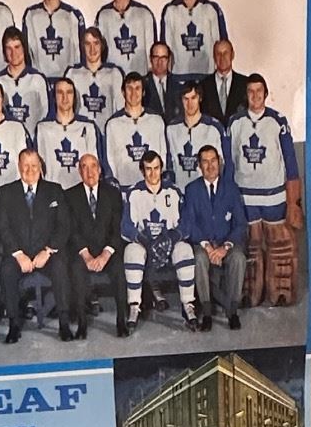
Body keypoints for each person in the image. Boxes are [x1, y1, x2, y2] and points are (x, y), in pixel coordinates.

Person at [227, 72, 302, 305]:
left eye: (259, 91)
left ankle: (280, 292)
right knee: (251, 246)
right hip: (245, 197)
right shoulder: (235, 122)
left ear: (266, 93)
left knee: (280, 246)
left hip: (274, 197)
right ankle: (249, 293)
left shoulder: (278, 121)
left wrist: (293, 201)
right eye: (251, 91)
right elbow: (229, 162)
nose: (255, 95)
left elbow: (290, 161)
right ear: (246, 94)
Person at [0, 148, 72, 342]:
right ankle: (14, 324)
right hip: (17, 254)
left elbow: (64, 226)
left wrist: (48, 251)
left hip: (47, 252)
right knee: (6, 271)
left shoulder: (54, 190)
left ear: (41, 167)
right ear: (19, 167)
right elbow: (2, 227)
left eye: (34, 165)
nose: (30, 170)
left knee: (61, 267)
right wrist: (18, 254)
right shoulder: (6, 192)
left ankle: (64, 324)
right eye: (26, 165)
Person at [122, 151, 197, 328]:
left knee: (185, 249)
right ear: (142, 170)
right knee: (131, 251)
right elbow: (125, 226)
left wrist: (170, 238)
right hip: (145, 244)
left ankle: (188, 305)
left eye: (156, 168)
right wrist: (145, 241)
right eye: (148, 169)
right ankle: (134, 306)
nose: (153, 173)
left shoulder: (174, 191)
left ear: (161, 168)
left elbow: (186, 223)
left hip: (168, 244)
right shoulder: (134, 192)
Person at [180, 144, 247, 330]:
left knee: (239, 258)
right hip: (203, 244)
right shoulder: (192, 190)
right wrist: (208, 247)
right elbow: (189, 223)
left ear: (220, 162)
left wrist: (225, 247)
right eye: (205, 162)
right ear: (199, 166)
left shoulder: (231, 189)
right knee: (199, 259)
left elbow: (241, 224)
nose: (210, 166)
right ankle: (207, 312)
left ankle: (232, 311)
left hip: (226, 243)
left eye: (213, 161)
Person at [65, 151, 131, 337]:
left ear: (100, 170)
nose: (90, 172)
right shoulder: (70, 195)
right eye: (84, 167)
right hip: (83, 252)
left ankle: (121, 321)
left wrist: (105, 255)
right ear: (79, 171)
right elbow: (72, 230)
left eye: (93, 166)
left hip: (107, 251)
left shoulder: (113, 194)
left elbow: (117, 229)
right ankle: (82, 323)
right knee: (75, 269)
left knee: (119, 269)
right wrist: (86, 256)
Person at [159, 0, 228, 87]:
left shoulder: (211, 9)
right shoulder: (170, 10)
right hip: (178, 78)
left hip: (207, 77)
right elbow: (165, 48)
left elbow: (222, 45)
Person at [103, 72, 168, 192]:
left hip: (151, 190)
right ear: (123, 92)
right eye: (129, 88)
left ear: (143, 92)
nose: (133, 93)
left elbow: (164, 154)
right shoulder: (113, 124)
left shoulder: (156, 120)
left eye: (137, 88)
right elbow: (109, 159)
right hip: (124, 189)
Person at [21, 0, 85, 79]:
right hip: (40, 81)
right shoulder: (31, 15)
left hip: (67, 81)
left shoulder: (72, 14)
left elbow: (81, 50)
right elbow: (26, 50)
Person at [36, 79, 101, 190]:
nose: (65, 98)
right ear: (54, 97)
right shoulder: (43, 128)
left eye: (69, 92)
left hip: (81, 192)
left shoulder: (88, 127)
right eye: (60, 92)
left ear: (74, 97)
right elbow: (39, 167)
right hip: (53, 192)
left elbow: (95, 164)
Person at [95, 0, 157, 78]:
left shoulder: (144, 13)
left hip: (140, 78)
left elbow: (152, 48)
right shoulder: (104, 15)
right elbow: (99, 50)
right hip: (114, 79)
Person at [165, 82, 229, 190]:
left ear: (200, 98)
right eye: (186, 99)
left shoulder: (214, 127)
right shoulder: (171, 128)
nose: (190, 103)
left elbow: (224, 164)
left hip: (206, 193)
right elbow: (169, 164)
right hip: (180, 192)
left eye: (193, 98)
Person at [68, 26, 124, 133]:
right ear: (82, 46)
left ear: (102, 45)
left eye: (96, 43)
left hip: (107, 133)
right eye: (88, 44)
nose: (92, 49)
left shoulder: (114, 73)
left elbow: (121, 110)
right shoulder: (73, 74)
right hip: (81, 135)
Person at [0, 27, 50, 137]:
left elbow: (47, 115)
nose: (14, 53)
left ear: (24, 48)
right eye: (9, 48)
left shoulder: (38, 79)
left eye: (17, 47)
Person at [198, 37, 249, 128]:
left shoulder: (245, 84)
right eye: (218, 54)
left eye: (226, 53)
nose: (222, 57)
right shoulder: (203, 85)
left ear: (232, 55)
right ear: (214, 57)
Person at [144, 41, 180, 120]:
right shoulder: (142, 85)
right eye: (156, 57)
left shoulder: (178, 85)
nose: (160, 62)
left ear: (169, 59)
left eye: (164, 57)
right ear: (150, 59)